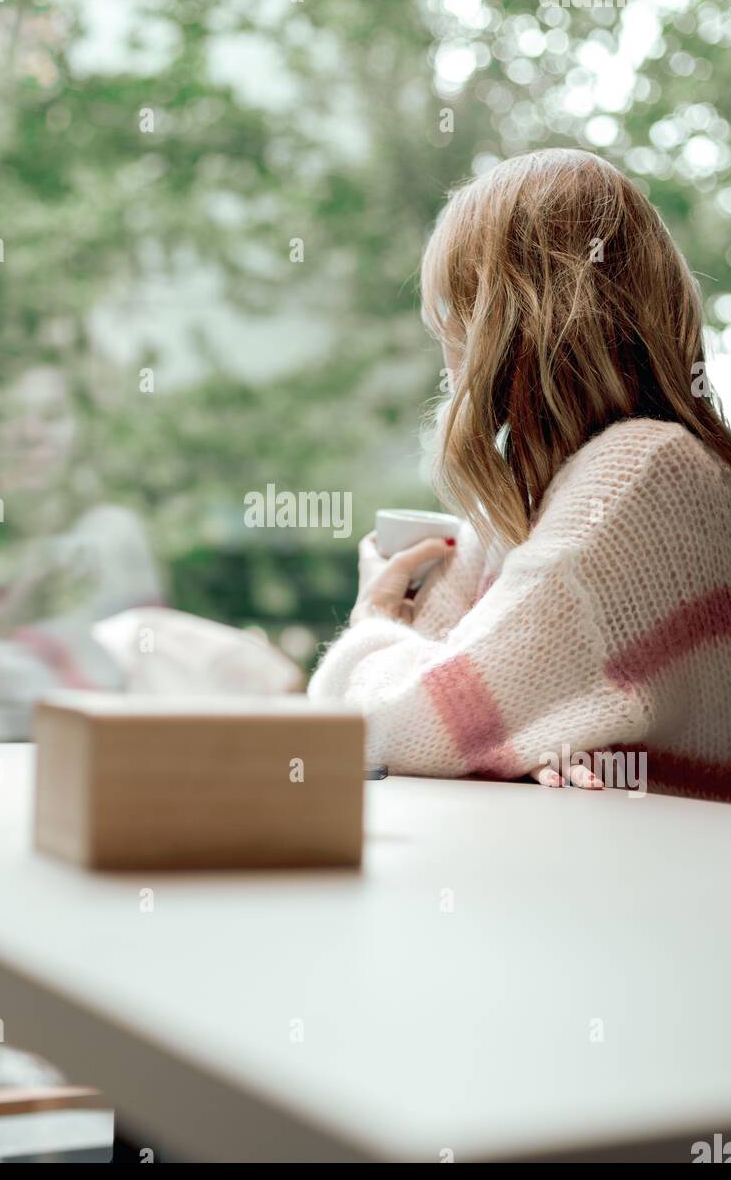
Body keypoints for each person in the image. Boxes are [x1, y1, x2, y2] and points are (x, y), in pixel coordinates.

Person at [308, 149, 731, 798]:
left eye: (453, 312)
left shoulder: (645, 472)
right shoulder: (525, 503)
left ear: (504, 317)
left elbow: (390, 722)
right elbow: (442, 719)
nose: (448, 352)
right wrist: (507, 741)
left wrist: (373, 617)